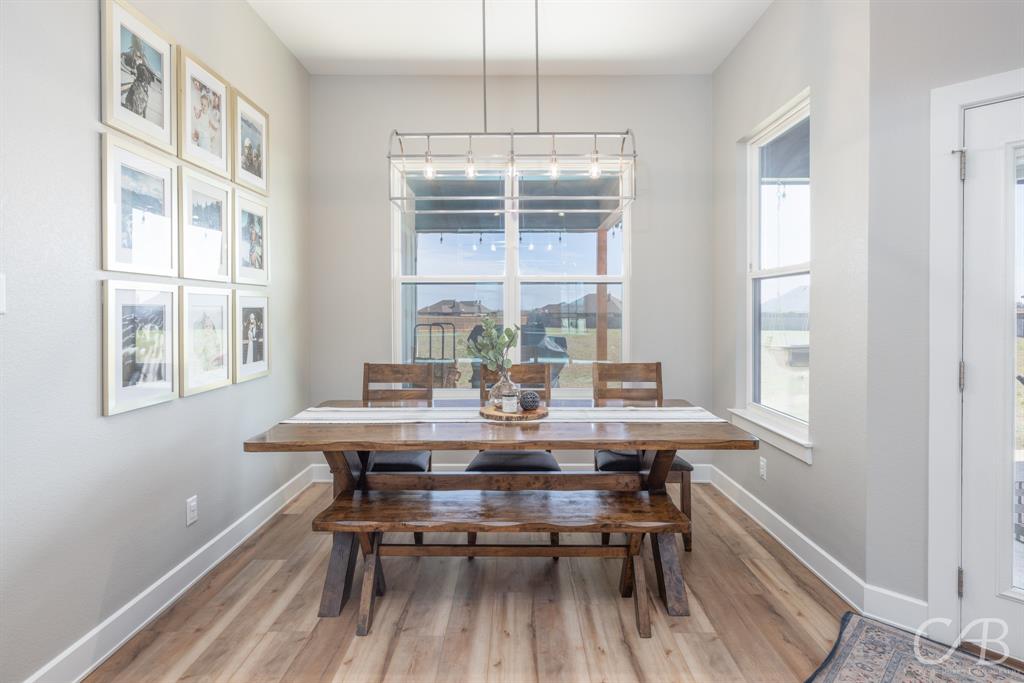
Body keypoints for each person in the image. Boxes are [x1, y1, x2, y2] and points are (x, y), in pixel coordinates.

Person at [123, 37, 156, 118]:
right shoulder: (134, 56)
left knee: (135, 103)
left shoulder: (143, 65)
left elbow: (151, 76)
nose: (137, 58)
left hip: (140, 88)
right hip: (139, 88)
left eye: (139, 57)